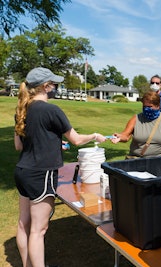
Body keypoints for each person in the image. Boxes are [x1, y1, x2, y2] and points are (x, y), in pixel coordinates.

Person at [13, 67, 107, 267]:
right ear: (46, 86)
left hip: (22, 172)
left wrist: (51, 143)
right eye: (54, 84)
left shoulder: (22, 109)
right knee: (39, 230)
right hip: (41, 174)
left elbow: (19, 145)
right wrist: (94, 136)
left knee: (24, 223)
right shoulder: (51, 110)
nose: (56, 87)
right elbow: (75, 140)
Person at [111, 91, 161, 158]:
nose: (146, 109)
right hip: (139, 161)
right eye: (144, 106)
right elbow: (126, 135)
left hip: (160, 161)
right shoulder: (136, 119)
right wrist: (120, 137)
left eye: (150, 106)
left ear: (157, 106)